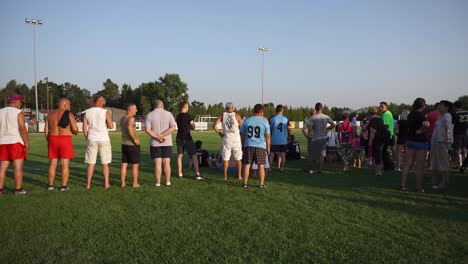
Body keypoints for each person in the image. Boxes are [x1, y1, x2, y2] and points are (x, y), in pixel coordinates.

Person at [44, 98, 78, 191]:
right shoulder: (69, 114)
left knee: (52, 164)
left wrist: (49, 141)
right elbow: (75, 129)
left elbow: (46, 130)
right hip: (65, 139)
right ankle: (63, 186)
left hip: (53, 139)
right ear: (65, 105)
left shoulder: (50, 114)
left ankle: (50, 186)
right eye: (69, 104)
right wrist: (76, 131)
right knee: (64, 164)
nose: (70, 106)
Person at [0, 94, 29, 195]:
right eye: (20, 102)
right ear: (16, 102)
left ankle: (0, 189)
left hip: (2, 142)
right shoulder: (18, 112)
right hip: (15, 141)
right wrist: (26, 142)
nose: (21, 104)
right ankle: (18, 189)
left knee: (3, 167)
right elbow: (22, 128)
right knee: (18, 167)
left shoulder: (0, 111)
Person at [83, 95, 114, 189]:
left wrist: (87, 138)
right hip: (104, 138)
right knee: (105, 163)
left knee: (91, 163)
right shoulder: (105, 112)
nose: (104, 103)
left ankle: (88, 184)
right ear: (100, 102)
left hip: (92, 138)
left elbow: (85, 128)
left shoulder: (86, 112)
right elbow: (111, 126)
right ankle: (106, 183)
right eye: (103, 101)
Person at [400, 98, 430, 192]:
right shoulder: (421, 115)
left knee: (408, 164)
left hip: (410, 140)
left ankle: (403, 185)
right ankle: (419, 187)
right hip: (420, 142)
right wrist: (421, 130)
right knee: (420, 166)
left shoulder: (410, 114)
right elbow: (426, 124)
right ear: (423, 105)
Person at [145, 100, 176, 187]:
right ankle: (167, 181)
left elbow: (147, 130)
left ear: (154, 106)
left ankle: (158, 182)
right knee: (166, 162)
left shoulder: (149, 115)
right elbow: (173, 127)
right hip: (167, 142)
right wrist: (162, 135)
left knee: (157, 163)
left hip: (155, 143)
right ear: (162, 105)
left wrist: (157, 137)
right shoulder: (169, 114)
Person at [240, 104, 270, 188]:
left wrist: (242, 145)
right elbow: (267, 136)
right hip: (260, 146)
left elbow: (242, 134)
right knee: (261, 165)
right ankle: (261, 184)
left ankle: (245, 184)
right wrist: (268, 147)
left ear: (254, 111)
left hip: (248, 145)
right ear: (261, 112)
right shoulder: (264, 121)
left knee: (247, 164)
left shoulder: (247, 121)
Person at [213, 102, 243, 181]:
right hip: (236, 139)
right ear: (232, 108)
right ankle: (239, 176)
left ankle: (225, 177)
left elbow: (214, 125)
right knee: (238, 158)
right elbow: (241, 127)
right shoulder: (237, 115)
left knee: (226, 159)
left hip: (226, 139)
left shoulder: (222, 115)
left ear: (226, 108)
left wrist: (220, 134)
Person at [305, 103, 336, 174]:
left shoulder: (313, 117)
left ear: (315, 108)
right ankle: (320, 170)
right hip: (323, 138)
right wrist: (326, 128)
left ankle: (307, 169)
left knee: (311, 154)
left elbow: (309, 127)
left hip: (315, 138)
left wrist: (310, 131)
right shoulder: (326, 116)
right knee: (322, 155)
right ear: (322, 108)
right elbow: (333, 125)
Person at [176, 101, 202, 180]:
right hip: (187, 138)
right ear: (185, 106)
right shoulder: (188, 116)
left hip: (179, 138)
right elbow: (193, 126)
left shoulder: (177, 116)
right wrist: (192, 126)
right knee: (194, 155)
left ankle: (180, 173)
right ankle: (197, 174)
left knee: (180, 155)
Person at [432, 100, 454, 189]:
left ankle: (444, 183)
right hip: (437, 142)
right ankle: (439, 181)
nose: (439, 107)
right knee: (438, 163)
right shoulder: (441, 116)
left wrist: (446, 140)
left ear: (446, 107)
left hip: (442, 142)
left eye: (441, 105)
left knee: (443, 163)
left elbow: (447, 127)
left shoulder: (447, 115)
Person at [120, 103, 141, 188]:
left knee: (124, 164)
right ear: (130, 109)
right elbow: (129, 127)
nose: (136, 110)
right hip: (131, 144)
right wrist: (135, 139)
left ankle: (123, 183)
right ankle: (135, 183)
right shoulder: (131, 118)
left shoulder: (122, 118)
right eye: (135, 109)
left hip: (124, 144)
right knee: (135, 164)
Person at [362, 107, 385, 176]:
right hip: (381, 140)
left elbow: (372, 132)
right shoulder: (380, 119)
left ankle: (378, 172)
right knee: (378, 156)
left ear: (369, 113)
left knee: (376, 156)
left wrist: (370, 142)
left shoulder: (373, 121)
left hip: (375, 140)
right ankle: (377, 171)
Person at [268, 104, 292, 172]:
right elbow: (289, 129)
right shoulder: (286, 119)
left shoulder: (272, 119)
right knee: (282, 155)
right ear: (282, 110)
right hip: (283, 140)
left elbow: (269, 130)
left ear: (276, 110)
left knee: (272, 155)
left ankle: (269, 168)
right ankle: (282, 168)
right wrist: (289, 136)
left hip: (274, 140)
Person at [451, 101, 468, 171]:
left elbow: (452, 125)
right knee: (465, 149)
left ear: (455, 106)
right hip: (466, 133)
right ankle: (465, 165)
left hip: (458, 133)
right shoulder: (467, 112)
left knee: (458, 150)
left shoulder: (455, 114)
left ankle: (460, 164)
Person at [379, 102, 395, 167]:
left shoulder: (386, 114)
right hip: (390, 135)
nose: (380, 108)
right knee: (386, 152)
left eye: (382, 107)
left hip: (387, 136)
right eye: (380, 107)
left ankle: (389, 166)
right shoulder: (388, 113)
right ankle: (391, 165)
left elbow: (386, 126)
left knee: (384, 152)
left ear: (386, 106)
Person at [425, 103, 440, 169]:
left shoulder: (429, 114)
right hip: (440, 135)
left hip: (430, 134)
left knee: (430, 151)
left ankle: (430, 165)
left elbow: (426, 125)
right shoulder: (443, 115)